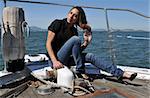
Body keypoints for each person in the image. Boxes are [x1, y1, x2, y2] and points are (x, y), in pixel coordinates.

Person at [46, 6, 137, 81]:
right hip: (55, 60)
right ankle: (80, 71)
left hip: (66, 59)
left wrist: (86, 43)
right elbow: (48, 43)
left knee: (90, 56)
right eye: (71, 13)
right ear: (68, 13)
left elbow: (76, 52)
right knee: (75, 39)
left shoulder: (74, 31)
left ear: (77, 19)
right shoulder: (58, 23)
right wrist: (54, 61)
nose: (71, 16)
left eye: (75, 16)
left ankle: (120, 73)